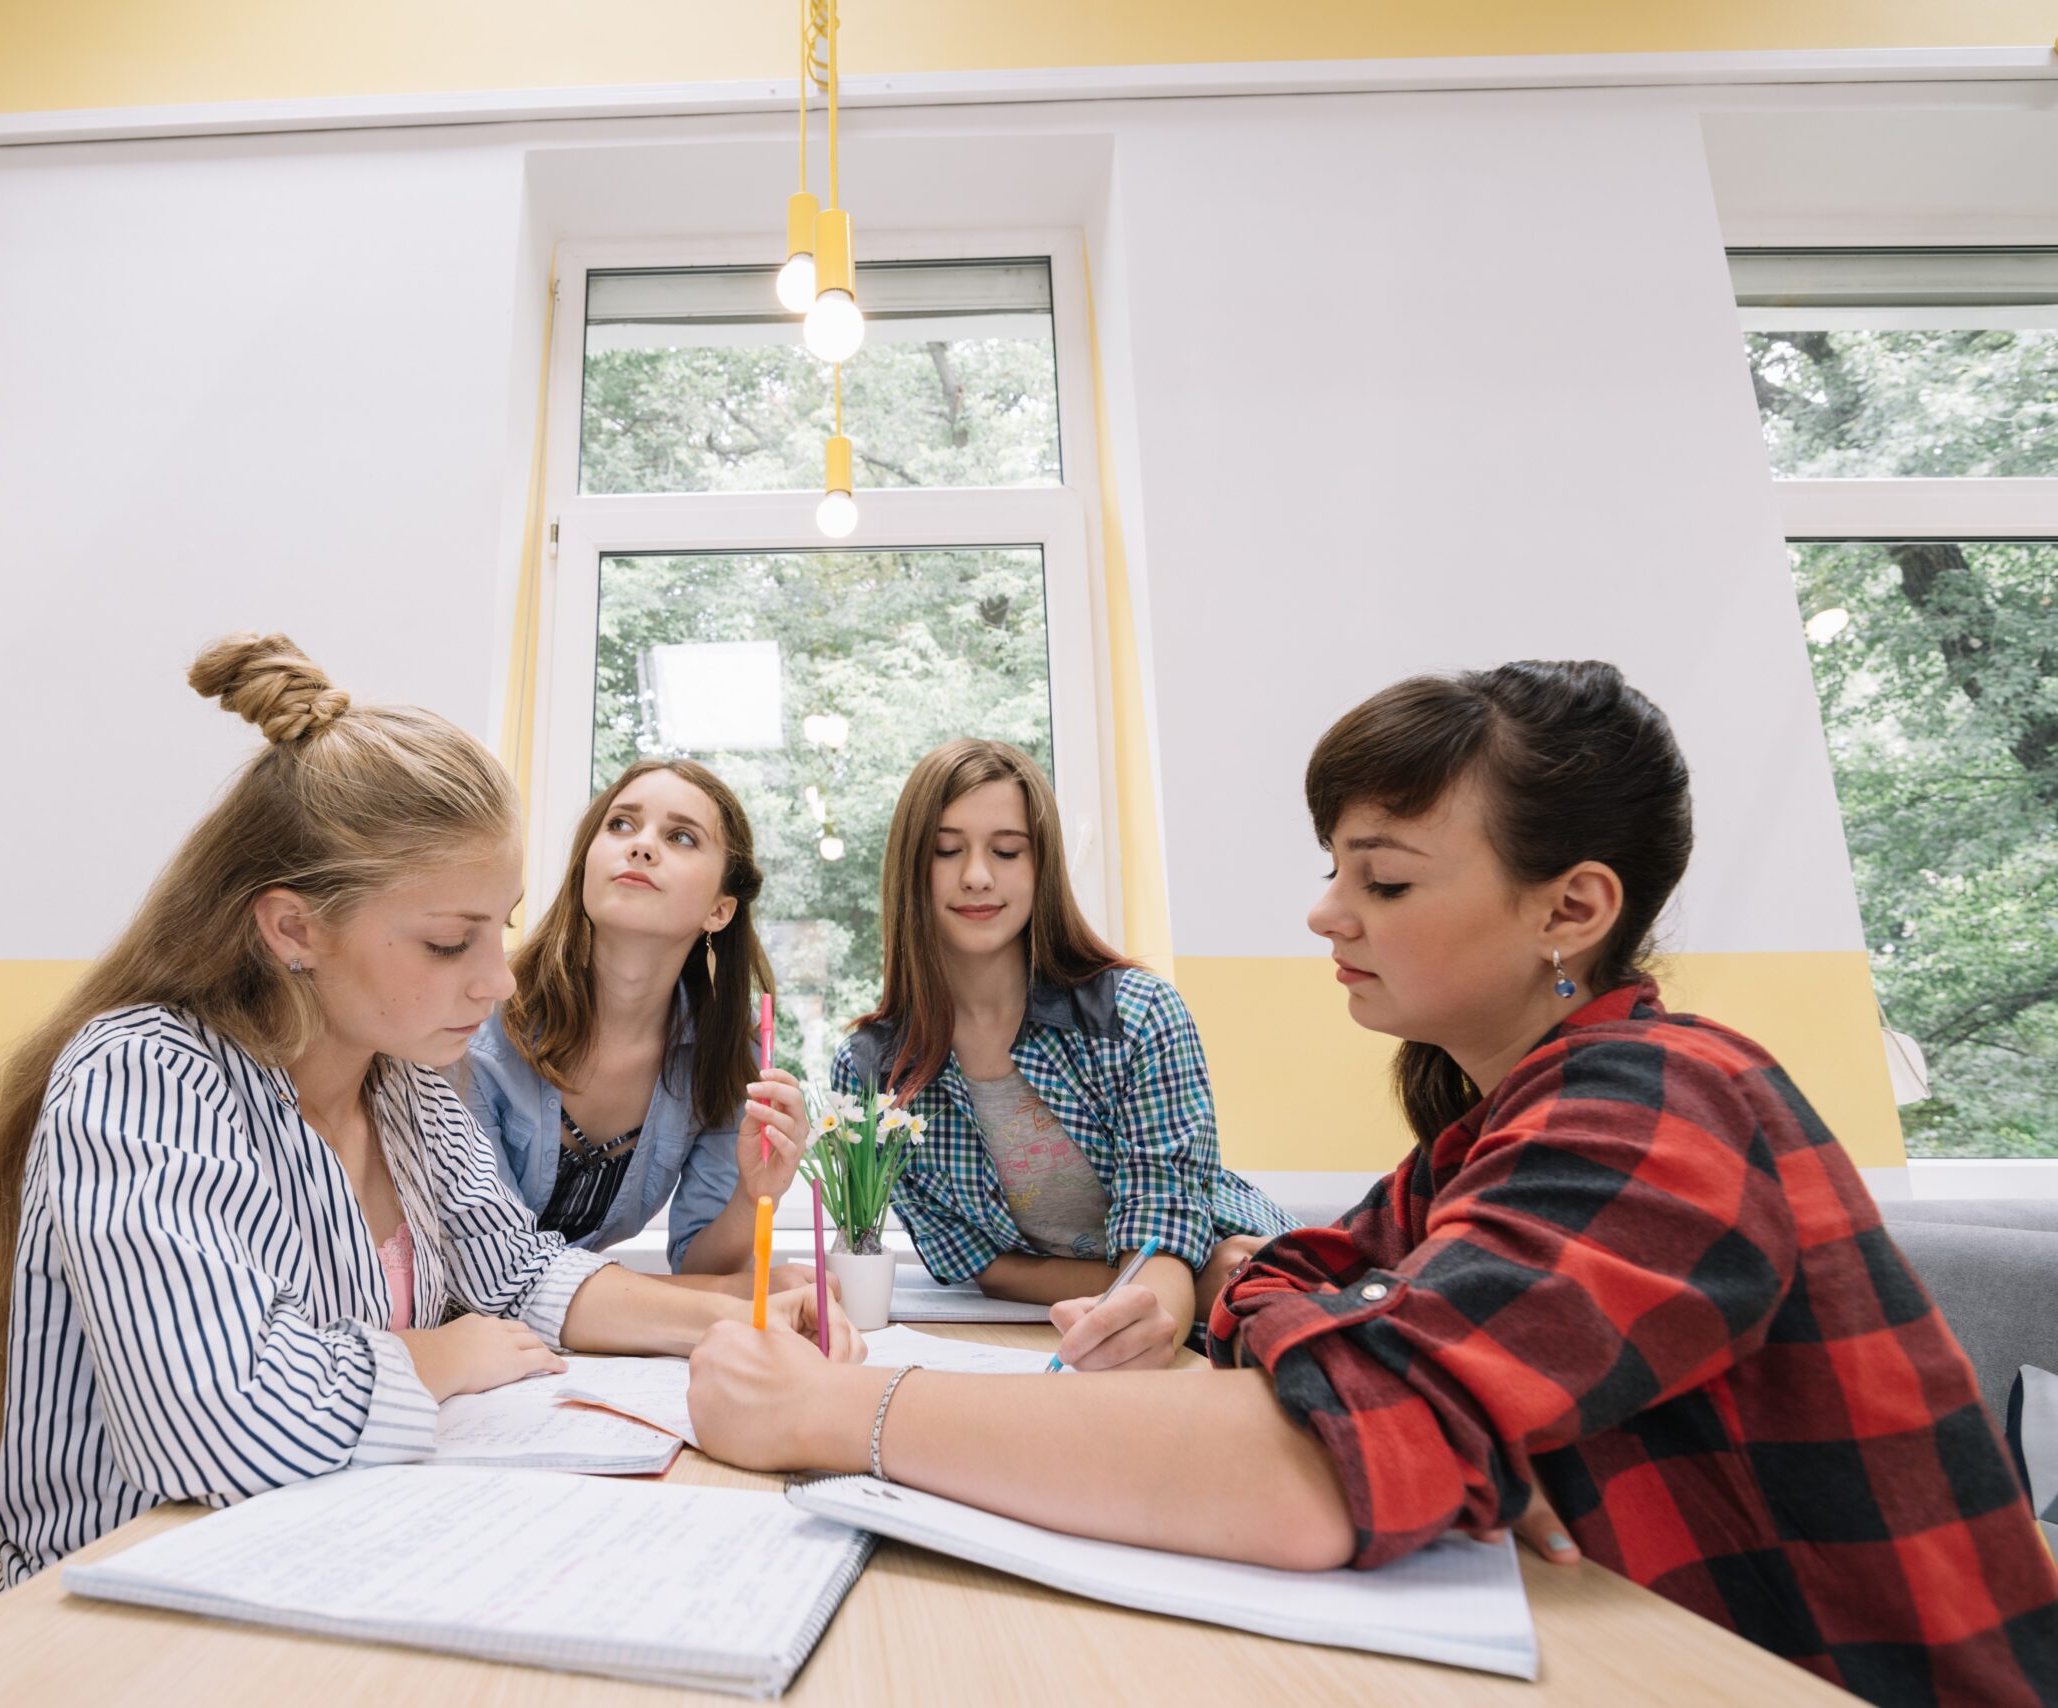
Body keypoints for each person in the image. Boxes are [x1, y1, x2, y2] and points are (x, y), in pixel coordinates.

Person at [693, 663, 2057, 1705]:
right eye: (1334, 869)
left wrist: (839, 1410)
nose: (1325, 912)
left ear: (1569, 911)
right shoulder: (1498, 1123)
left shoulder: (1664, 1100)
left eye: (1384, 879)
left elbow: (1308, 1458)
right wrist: (1393, 1381)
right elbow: (1281, 1272)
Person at [0, 633, 855, 1653]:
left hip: (316, 1576)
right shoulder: (144, 1076)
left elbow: (514, 1271)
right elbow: (224, 1424)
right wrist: (436, 1353)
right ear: (294, 930)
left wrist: (737, 1322)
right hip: (117, 1611)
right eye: (448, 942)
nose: (497, 982)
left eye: (497, 930)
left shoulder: (400, 1080)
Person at [832, 739, 1291, 1369]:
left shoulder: (1138, 1015)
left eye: (1007, 850)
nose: (976, 875)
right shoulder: (871, 1073)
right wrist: (1133, 1290)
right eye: (946, 850)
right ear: (911, 866)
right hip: (1142, 1298)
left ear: (1041, 866)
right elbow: (981, 1265)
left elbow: (1165, 1230)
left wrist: (1167, 1288)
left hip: (1248, 1276)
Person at [464, 759, 814, 1285]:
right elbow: (490, 1262)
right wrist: (734, 1299)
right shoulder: (482, 1013)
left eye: (681, 837)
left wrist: (755, 1194)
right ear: (586, 864)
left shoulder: (725, 1055)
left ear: (720, 910)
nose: (642, 845)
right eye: (621, 824)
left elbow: (699, 1266)